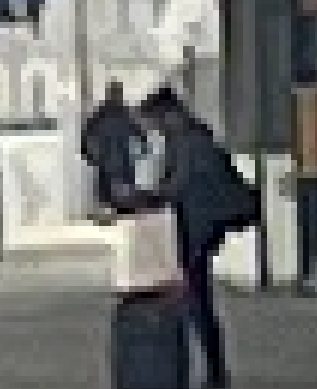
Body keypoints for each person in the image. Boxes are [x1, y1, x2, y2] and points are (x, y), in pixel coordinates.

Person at [139, 85, 259, 389]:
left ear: (168, 114)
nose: (154, 128)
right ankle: (212, 370)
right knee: (197, 301)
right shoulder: (190, 137)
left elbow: (178, 184)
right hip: (196, 226)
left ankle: (214, 372)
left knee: (198, 302)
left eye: (154, 121)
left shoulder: (190, 140)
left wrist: (148, 197)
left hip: (199, 229)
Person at [81, 79, 141, 213]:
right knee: (120, 195)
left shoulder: (100, 115)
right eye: (117, 93)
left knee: (110, 195)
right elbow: (140, 137)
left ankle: (113, 210)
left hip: (111, 164)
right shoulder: (128, 114)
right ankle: (121, 210)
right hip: (120, 164)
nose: (117, 96)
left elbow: (86, 138)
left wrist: (90, 156)